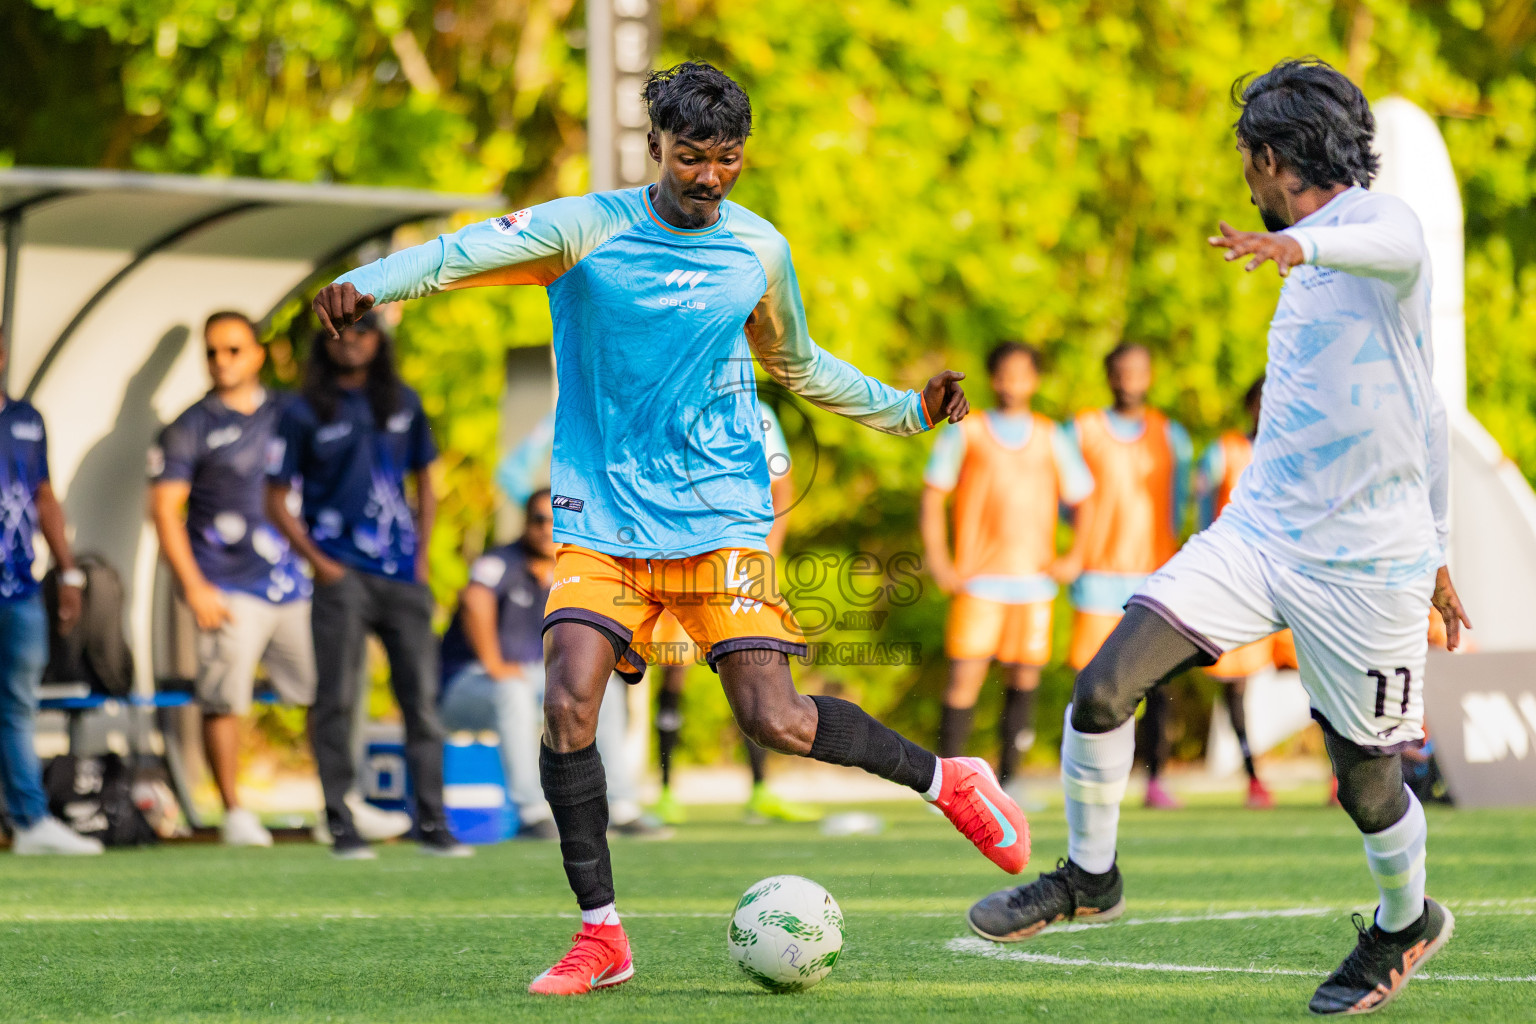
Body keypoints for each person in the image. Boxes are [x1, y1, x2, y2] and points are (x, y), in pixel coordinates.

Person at [312, 60, 1028, 996]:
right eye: (691, 158)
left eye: (727, 160)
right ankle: (602, 935)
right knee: (569, 702)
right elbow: (462, 252)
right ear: (654, 147)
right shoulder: (587, 229)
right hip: (602, 519)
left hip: (720, 512)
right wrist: (367, 283)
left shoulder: (758, 251)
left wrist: (908, 410)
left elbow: (798, 363)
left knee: (773, 719)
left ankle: (950, 780)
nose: (709, 178)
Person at [967, 59, 1468, 1016]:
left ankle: (1405, 922)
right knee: (1104, 687)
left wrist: (1431, 548)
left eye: (1248, 160)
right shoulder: (1312, 263)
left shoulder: (1376, 227)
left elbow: (1394, 249)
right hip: (1260, 534)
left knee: (1368, 792)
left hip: (1365, 570)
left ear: (1272, 160)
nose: (1246, 180)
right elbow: (1425, 415)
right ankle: (1088, 876)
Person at [264, 312, 469, 860]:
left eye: (361, 332)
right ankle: (341, 824)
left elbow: (427, 480)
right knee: (336, 698)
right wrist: (319, 563)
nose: (350, 342)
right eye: (340, 334)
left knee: (422, 701)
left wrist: (423, 559)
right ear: (324, 344)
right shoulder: (301, 409)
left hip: (403, 575)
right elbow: (274, 495)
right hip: (340, 575)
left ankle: (432, 824)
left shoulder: (403, 400)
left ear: (378, 340)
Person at [149, 312, 317, 847]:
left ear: (258, 355)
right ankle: (235, 811)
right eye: (213, 352)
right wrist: (195, 585)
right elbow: (163, 510)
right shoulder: (189, 424)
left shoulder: (290, 412)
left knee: (324, 692)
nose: (222, 361)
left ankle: (339, 801)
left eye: (234, 350)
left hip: (294, 585)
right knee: (225, 698)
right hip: (226, 585)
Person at [439, 489, 659, 839]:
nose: (547, 528)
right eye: (539, 519)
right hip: (468, 684)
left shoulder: (576, 570)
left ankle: (620, 806)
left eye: (556, 520)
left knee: (608, 689)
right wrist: (494, 664)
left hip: (533, 681)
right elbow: (475, 599)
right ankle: (531, 813)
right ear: (526, 524)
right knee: (511, 690)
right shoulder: (501, 561)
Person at [920, 342, 1092, 790]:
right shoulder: (965, 432)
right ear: (992, 378)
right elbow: (933, 495)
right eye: (1004, 374)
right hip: (978, 581)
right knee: (965, 678)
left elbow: (1084, 497)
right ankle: (947, 784)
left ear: (1034, 380)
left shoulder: (1052, 436)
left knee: (1023, 677)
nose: (1012, 383)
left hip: (1033, 582)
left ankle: (1009, 782)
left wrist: (1074, 555)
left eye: (1022, 374)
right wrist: (939, 559)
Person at [652, 399, 819, 825]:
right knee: (675, 669)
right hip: (679, 557)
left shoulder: (758, 410)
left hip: (739, 557)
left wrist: (769, 548)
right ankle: (666, 791)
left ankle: (761, 789)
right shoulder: (669, 398)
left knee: (754, 662)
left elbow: (781, 482)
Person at [1056, 342, 1192, 809]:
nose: (1129, 380)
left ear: (1148, 376)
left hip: (1155, 577)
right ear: (1109, 375)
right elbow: (1063, 497)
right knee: (1091, 682)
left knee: (1157, 683)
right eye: (1121, 371)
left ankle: (1155, 779)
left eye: (1138, 371)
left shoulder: (1172, 435)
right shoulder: (1082, 429)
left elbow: (1180, 505)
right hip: (1096, 575)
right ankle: (1085, 779)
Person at [0, 328, 100, 855]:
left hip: (17, 587)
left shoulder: (26, 418)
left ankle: (31, 822)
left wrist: (68, 572)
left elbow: (43, 496)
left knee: (18, 704)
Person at [1193, 375, 1276, 810]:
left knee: (1321, 680)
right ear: (1250, 406)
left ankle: (1340, 779)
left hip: (1292, 587)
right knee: (1235, 685)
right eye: (1262, 399)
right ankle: (1254, 778)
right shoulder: (1224, 451)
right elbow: (1204, 514)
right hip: (1242, 585)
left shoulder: (1303, 453)